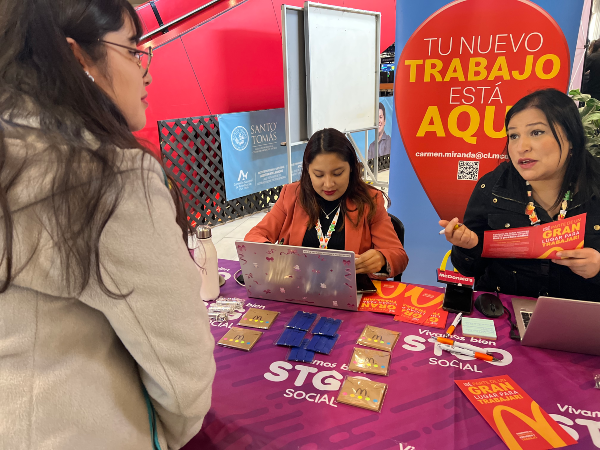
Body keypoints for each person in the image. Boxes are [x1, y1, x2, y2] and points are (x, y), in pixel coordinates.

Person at [0, 1, 215, 449]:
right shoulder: (109, 177)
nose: (147, 71)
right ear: (79, 59)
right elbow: (182, 372)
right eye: (134, 51)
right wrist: (160, 436)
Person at [440, 88, 600, 302]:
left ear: (571, 137)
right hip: (503, 313)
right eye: (513, 135)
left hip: (578, 318)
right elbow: (470, 269)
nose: (521, 147)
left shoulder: (595, 184)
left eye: (536, 132)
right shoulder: (493, 186)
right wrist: (469, 247)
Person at [245, 128, 408, 278]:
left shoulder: (369, 201)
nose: (329, 184)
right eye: (319, 175)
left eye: (338, 173)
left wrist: (381, 258)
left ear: (352, 168)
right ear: (308, 171)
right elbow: (254, 237)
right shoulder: (292, 195)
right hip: (297, 288)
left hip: (351, 294)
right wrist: (275, 254)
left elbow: (398, 255)